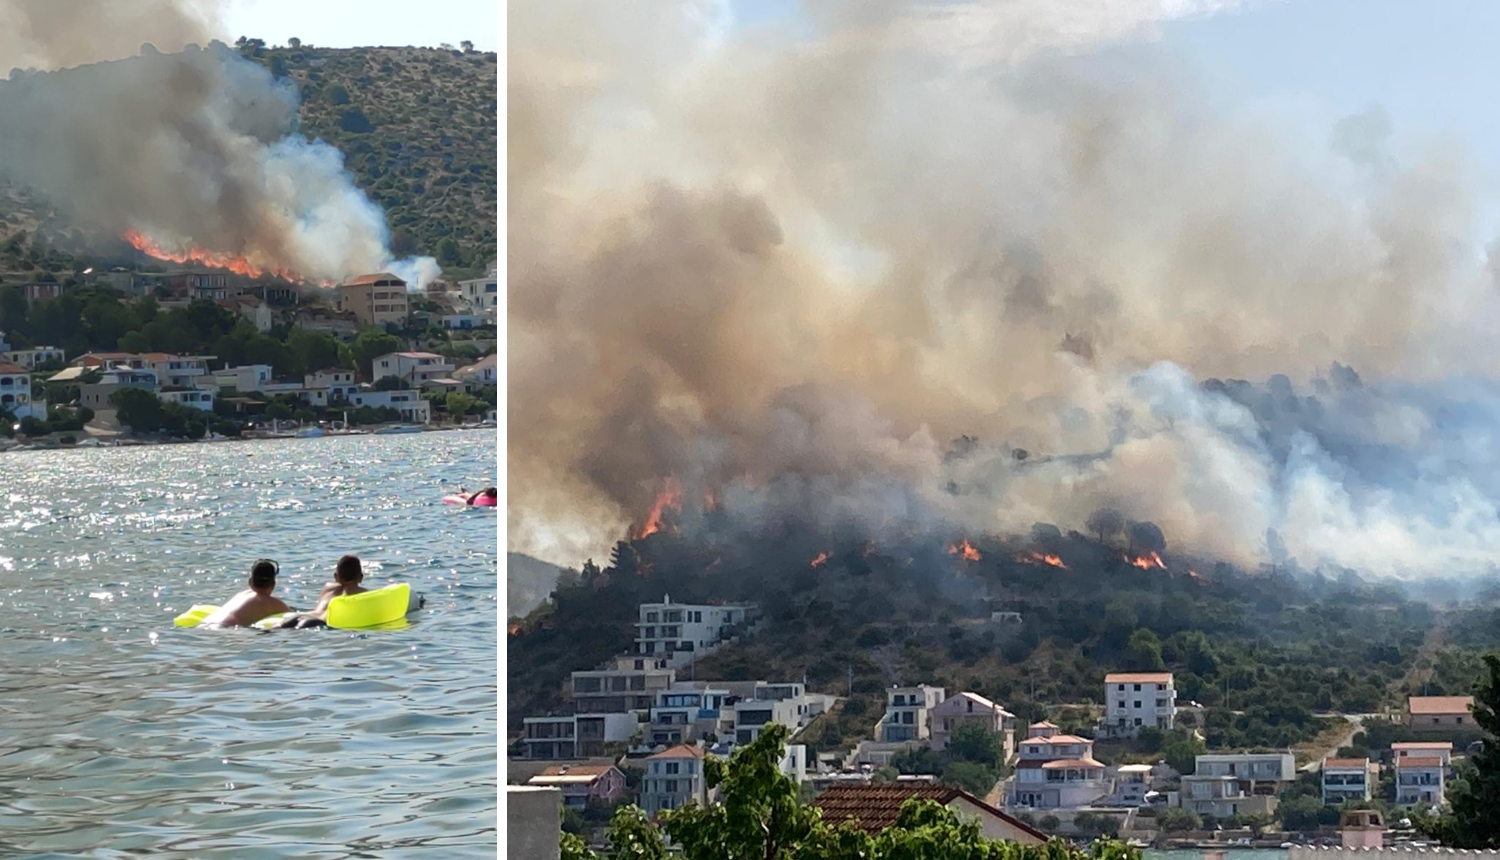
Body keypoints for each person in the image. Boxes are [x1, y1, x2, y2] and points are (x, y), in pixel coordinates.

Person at [276, 555, 368, 629]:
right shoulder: (362, 593)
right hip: (317, 622)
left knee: (278, 629)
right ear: (361, 577)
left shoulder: (328, 587)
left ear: (336, 577)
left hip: (301, 616)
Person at [200, 560, 290, 629]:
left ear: (250, 582)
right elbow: (292, 617)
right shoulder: (272, 603)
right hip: (223, 631)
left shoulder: (242, 595)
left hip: (205, 625)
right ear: (273, 584)